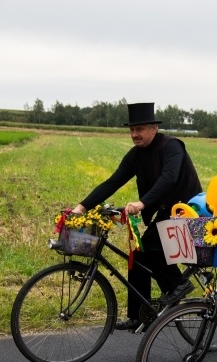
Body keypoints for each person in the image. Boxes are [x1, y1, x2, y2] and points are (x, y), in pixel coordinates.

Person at [71, 102, 202, 329]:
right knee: (138, 255)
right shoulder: (136, 155)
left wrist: (142, 203)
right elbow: (113, 181)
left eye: (139, 129)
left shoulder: (172, 146)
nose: (134, 134)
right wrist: (82, 207)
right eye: (131, 130)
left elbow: (169, 178)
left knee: (151, 245)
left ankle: (178, 285)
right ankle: (138, 316)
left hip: (186, 209)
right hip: (163, 212)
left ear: (153, 128)